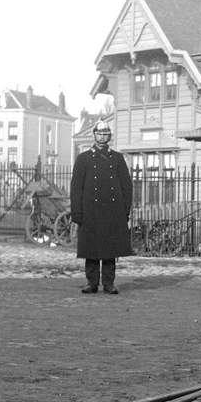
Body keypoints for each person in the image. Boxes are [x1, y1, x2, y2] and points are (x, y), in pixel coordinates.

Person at [70, 120, 133, 294]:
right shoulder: (83, 159)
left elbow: (126, 186)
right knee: (91, 249)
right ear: (94, 135)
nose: (102, 137)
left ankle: (109, 283)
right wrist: (76, 211)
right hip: (90, 211)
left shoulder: (118, 158)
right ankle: (92, 283)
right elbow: (76, 188)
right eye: (99, 134)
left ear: (110, 136)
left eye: (106, 134)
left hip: (112, 211)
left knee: (109, 250)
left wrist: (125, 211)